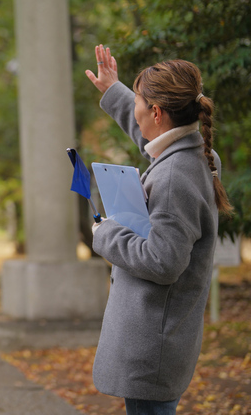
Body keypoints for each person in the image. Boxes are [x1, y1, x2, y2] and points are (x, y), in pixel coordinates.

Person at [85, 45, 233, 415]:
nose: (135, 110)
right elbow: (158, 146)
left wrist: (106, 233)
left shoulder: (172, 179)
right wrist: (115, 90)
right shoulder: (196, 154)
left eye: (138, 102)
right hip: (162, 340)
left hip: (151, 347)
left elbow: (163, 262)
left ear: (156, 112)